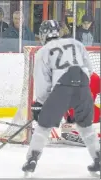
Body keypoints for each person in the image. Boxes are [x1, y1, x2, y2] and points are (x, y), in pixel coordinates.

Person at [22, 20, 100, 176]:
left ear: (43, 34)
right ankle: (98, 159)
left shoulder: (43, 51)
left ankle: (32, 159)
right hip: (83, 86)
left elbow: (42, 82)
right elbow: (89, 70)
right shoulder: (76, 43)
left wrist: (41, 103)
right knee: (86, 126)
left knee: (44, 126)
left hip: (62, 88)